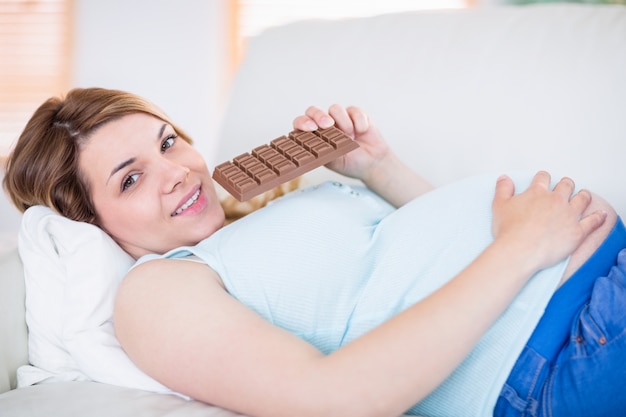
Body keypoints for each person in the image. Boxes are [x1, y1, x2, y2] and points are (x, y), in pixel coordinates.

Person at [2, 87, 623, 417]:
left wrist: (377, 169)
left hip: (586, 278)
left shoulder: (262, 214)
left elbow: (416, 264)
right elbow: (336, 398)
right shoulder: (157, 293)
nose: (177, 172)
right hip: (564, 345)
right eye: (130, 178)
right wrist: (520, 248)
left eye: (169, 142)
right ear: (89, 221)